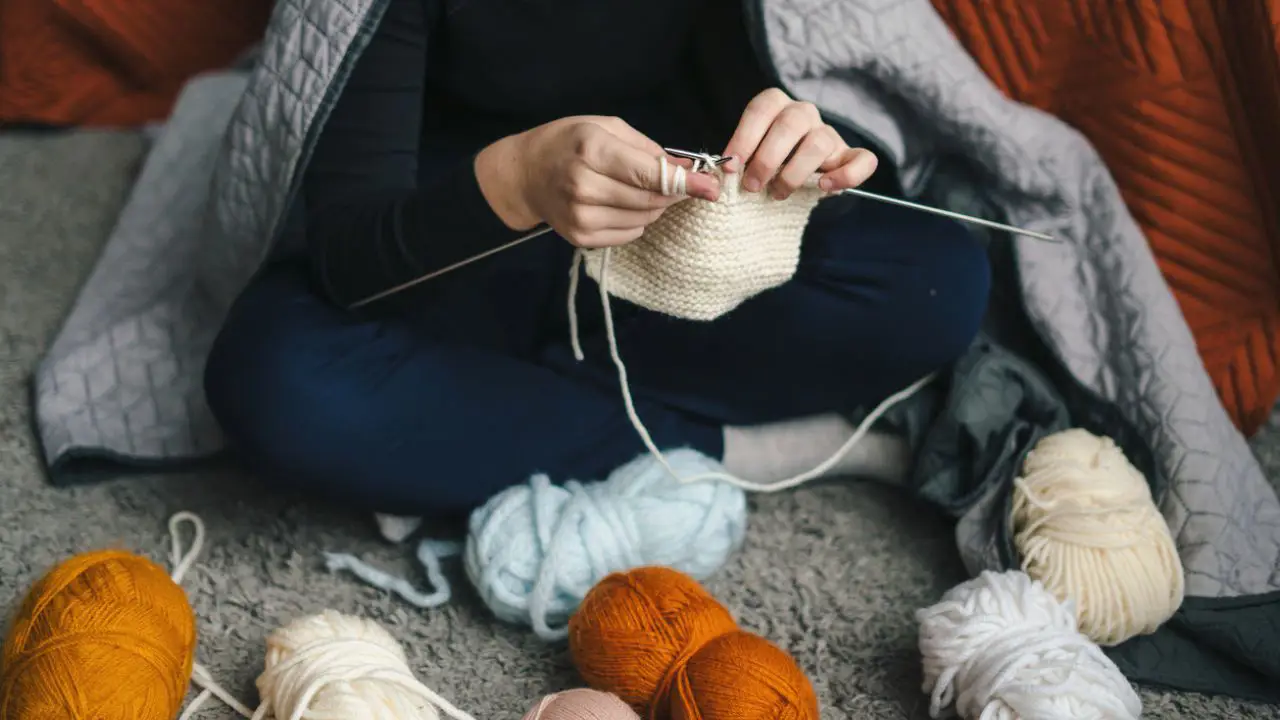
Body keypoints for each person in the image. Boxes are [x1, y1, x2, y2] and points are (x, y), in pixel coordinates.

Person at [203, 0, 991, 517]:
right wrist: (517, 181)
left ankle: (489, 424)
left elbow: (818, 96)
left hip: (675, 244)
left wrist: (810, 147)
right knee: (275, 380)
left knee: (940, 281)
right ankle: (725, 448)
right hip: (463, 234)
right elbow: (351, 260)